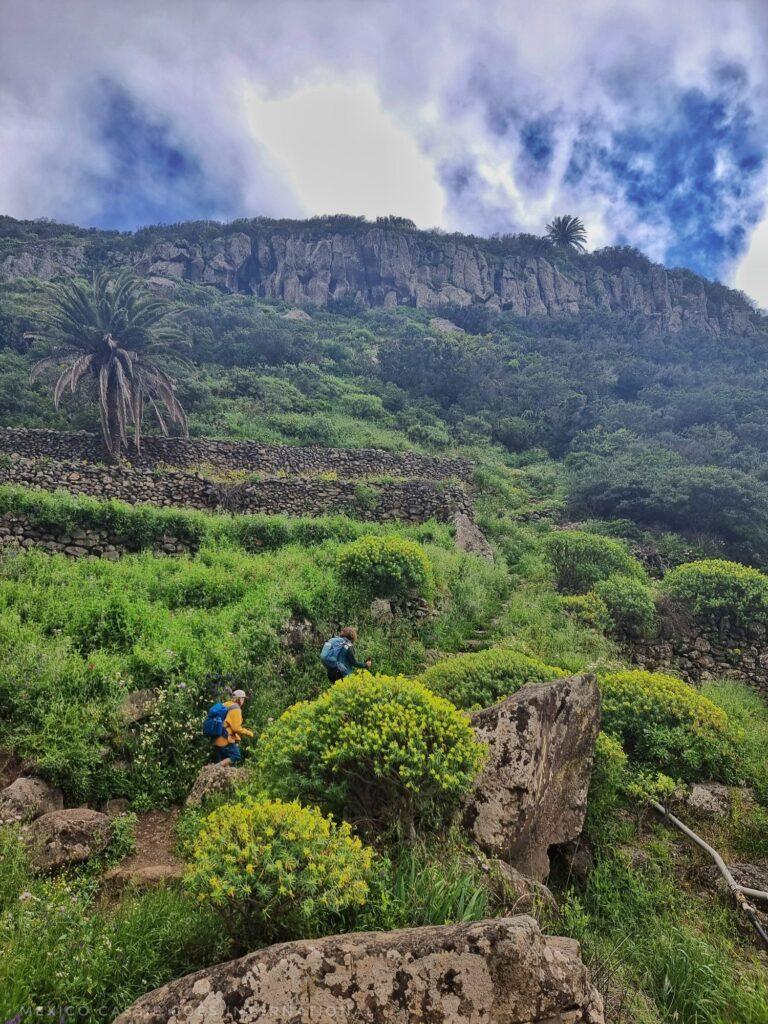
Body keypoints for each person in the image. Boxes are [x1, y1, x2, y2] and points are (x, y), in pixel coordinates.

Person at [213, 689, 253, 765]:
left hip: (216, 735)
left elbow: (227, 723)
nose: (243, 700)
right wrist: (249, 733)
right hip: (225, 737)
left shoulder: (226, 704)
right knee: (236, 756)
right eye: (243, 698)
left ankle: (214, 771)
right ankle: (214, 768)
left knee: (223, 761)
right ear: (240, 698)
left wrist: (237, 738)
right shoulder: (235, 708)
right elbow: (236, 728)